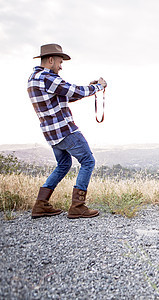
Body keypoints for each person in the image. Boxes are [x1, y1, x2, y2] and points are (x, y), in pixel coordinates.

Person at [27, 43, 107, 219]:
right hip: (65, 130)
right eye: (60, 62)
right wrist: (98, 87)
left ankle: (41, 204)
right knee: (88, 161)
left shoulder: (34, 78)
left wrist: (89, 87)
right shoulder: (47, 77)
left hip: (51, 134)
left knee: (64, 165)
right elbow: (74, 91)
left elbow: (65, 96)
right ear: (50, 60)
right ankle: (78, 206)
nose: (61, 66)